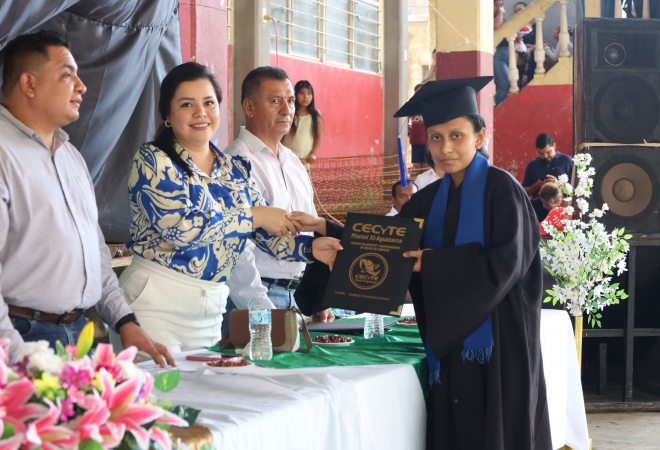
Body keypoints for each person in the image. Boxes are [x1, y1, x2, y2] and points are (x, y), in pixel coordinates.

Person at [115, 62, 341, 356]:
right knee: (162, 386)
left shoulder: (234, 169)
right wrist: (254, 216)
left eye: (209, 103)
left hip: (210, 311)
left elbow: (266, 234)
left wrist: (310, 249)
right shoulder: (154, 160)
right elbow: (181, 230)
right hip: (156, 305)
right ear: (167, 114)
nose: (201, 113)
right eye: (187, 104)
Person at [394, 77, 551, 449]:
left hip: (500, 340)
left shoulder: (504, 190)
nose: (445, 148)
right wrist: (327, 231)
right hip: (452, 341)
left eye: (457, 136)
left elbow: (507, 265)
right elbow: (388, 243)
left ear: (479, 137)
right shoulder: (427, 200)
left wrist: (433, 265)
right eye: (436, 137)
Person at [0, 30, 174, 366]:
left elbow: (94, 253)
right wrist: (18, 359)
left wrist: (126, 321)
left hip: (81, 334)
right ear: (29, 84)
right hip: (23, 336)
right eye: (67, 75)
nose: (81, 87)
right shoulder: (4, 153)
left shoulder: (70, 156)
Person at [225, 66, 336, 322]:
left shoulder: (294, 162)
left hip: (298, 297)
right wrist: (262, 311)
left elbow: (311, 230)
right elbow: (236, 248)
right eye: (275, 101)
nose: (287, 110)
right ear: (249, 107)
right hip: (258, 296)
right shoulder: (236, 161)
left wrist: (317, 296)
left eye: (291, 101)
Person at [282, 80, 323, 163]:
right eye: (301, 93)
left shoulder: (315, 115)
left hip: (304, 158)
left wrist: (313, 153)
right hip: (286, 155)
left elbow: (318, 136)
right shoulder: (289, 112)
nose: (306, 96)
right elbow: (282, 134)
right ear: (295, 95)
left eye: (309, 93)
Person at [522, 133, 573, 199]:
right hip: (537, 204)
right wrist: (536, 186)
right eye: (541, 153)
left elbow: (576, 189)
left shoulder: (567, 161)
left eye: (548, 152)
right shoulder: (532, 165)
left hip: (561, 204)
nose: (545, 156)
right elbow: (522, 192)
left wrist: (558, 184)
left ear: (554, 146)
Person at [493, 0, 510, 106]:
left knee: (510, 85)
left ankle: (502, 107)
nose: (499, 8)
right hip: (498, 54)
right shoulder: (489, 17)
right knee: (504, 84)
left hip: (507, 53)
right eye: (496, 5)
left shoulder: (502, 18)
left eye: (501, 5)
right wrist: (500, 13)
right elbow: (496, 26)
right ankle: (497, 108)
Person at [409, 83, 428, 170]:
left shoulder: (430, 106)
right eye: (417, 92)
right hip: (415, 142)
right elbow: (405, 121)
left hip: (428, 142)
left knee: (426, 167)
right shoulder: (412, 106)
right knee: (417, 168)